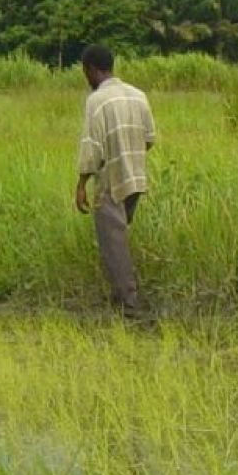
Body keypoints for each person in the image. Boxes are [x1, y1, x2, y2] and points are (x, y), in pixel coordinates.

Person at [73, 44, 155, 318]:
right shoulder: (138, 95)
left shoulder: (96, 101)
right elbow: (149, 139)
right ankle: (120, 293)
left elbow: (91, 147)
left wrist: (82, 184)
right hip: (136, 178)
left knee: (113, 242)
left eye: (85, 72)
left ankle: (129, 301)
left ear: (91, 70)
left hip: (111, 180)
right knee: (117, 236)